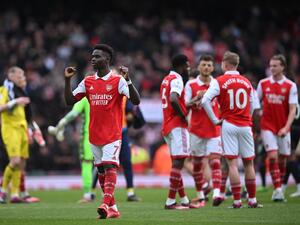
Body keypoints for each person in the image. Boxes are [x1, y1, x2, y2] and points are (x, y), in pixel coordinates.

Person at [63, 44, 140, 219]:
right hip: (94, 135)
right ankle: (113, 209)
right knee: (101, 172)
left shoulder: (118, 81)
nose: (93, 59)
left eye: (97, 56)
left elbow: (136, 101)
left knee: (109, 165)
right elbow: (69, 101)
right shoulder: (88, 81)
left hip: (113, 134)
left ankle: (105, 204)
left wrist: (128, 80)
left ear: (107, 59)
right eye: (92, 56)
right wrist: (67, 80)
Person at [202, 51, 262, 208]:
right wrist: (247, 118)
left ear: (225, 64)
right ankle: (253, 200)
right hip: (245, 125)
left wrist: (215, 120)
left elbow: (205, 101)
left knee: (232, 164)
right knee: (249, 164)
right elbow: (254, 107)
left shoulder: (219, 81)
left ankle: (236, 201)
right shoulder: (246, 82)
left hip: (228, 124)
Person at [257, 54, 298, 201]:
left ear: (283, 67)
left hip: (283, 127)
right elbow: (256, 104)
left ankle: (278, 186)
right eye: (271, 65)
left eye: (275, 66)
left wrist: (286, 128)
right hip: (267, 126)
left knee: (283, 159)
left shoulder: (290, 85)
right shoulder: (263, 84)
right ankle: (278, 189)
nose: (272, 68)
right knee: (272, 157)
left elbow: (293, 109)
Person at [160, 54, 199, 210]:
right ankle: (170, 201)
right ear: (182, 66)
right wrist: (184, 116)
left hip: (168, 125)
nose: (188, 70)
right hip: (177, 125)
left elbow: (174, 100)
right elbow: (174, 99)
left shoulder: (166, 79)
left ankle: (183, 200)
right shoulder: (177, 80)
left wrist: (189, 103)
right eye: (187, 67)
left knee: (177, 162)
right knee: (179, 162)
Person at [184, 54, 223, 206]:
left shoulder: (217, 84)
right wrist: (196, 99)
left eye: (209, 65)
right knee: (198, 164)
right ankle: (200, 195)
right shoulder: (191, 85)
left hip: (214, 129)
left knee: (215, 162)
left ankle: (217, 194)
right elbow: (185, 105)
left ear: (213, 68)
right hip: (196, 130)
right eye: (204, 65)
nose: (206, 67)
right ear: (198, 67)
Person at [0, 67, 43, 203]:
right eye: (19, 76)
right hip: (11, 129)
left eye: (23, 76)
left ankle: (14, 194)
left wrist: (31, 130)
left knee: (21, 163)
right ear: (10, 75)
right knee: (15, 161)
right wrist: (15, 102)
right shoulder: (5, 90)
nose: (22, 78)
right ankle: (2, 191)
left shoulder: (20, 91)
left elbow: (26, 116)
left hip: (22, 129)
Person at [48, 97, 96, 203]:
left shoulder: (86, 97)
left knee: (87, 163)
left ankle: (88, 195)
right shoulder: (105, 95)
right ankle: (108, 196)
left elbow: (74, 113)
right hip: (106, 135)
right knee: (105, 165)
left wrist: (62, 122)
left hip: (89, 136)